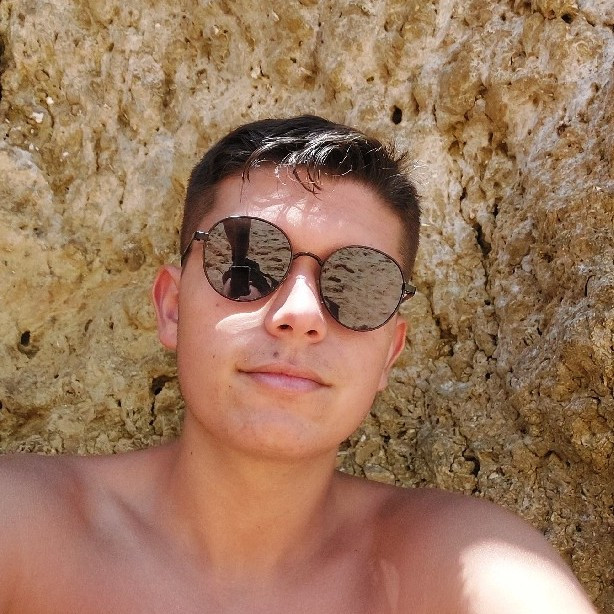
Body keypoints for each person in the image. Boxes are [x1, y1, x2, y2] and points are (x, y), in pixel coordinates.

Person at [0, 116, 597, 613]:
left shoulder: (457, 562)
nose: (301, 313)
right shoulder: (25, 531)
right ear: (172, 308)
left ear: (389, 353)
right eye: (247, 261)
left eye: (358, 283)